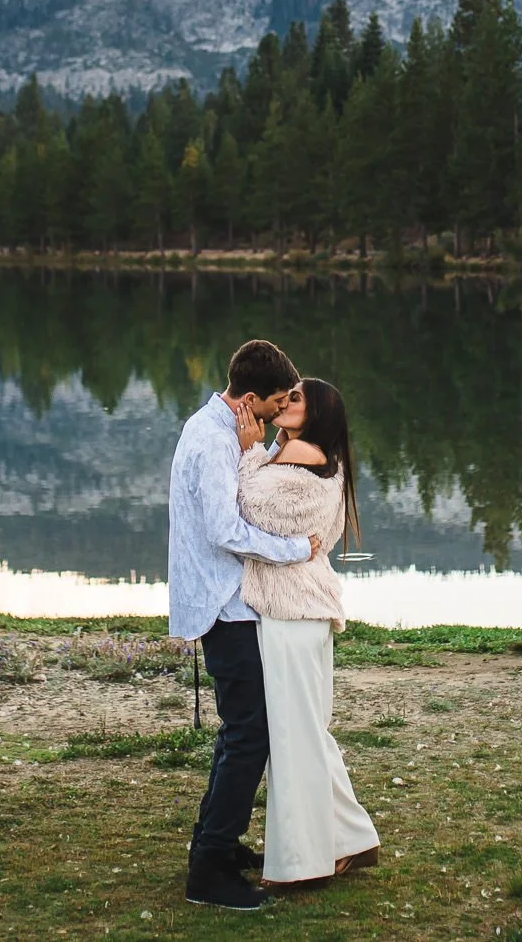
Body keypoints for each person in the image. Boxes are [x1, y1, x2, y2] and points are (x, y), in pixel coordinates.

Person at [168, 338, 323, 912]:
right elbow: (224, 531)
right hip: (223, 604)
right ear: (251, 397)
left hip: (229, 601)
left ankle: (217, 845)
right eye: (278, 402)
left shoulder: (219, 430)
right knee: (250, 733)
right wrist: (293, 549)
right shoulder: (214, 441)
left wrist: (246, 451)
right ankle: (207, 869)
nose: (283, 412)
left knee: (239, 730)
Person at [236, 377, 381, 888]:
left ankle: (302, 866)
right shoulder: (328, 465)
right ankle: (350, 838)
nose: (284, 401)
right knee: (310, 732)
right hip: (311, 611)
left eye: (296, 398)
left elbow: (251, 505)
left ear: (314, 414)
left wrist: (251, 452)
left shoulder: (299, 453)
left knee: (293, 737)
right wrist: (270, 448)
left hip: (291, 614)